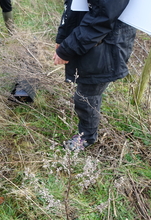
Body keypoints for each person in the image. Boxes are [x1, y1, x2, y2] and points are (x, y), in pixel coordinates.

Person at [53, 0, 136, 151]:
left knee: (86, 96)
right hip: (91, 40)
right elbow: (72, 6)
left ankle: (87, 137)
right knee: (87, 91)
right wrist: (63, 37)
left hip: (106, 44)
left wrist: (67, 48)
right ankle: (88, 132)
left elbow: (102, 19)